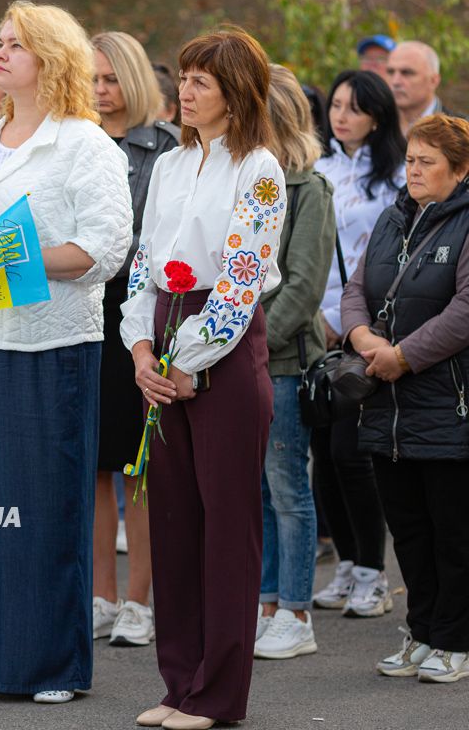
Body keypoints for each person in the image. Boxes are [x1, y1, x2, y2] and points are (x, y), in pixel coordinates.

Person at [0, 1, 132, 704]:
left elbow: (105, 248)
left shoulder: (86, 145)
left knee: (45, 508)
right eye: (0, 43)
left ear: (51, 59)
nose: (1, 54)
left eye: (17, 45)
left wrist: (16, 264)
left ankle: (55, 666)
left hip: (50, 345)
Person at [121, 27, 284, 729]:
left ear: (235, 91)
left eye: (200, 81)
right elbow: (141, 263)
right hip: (161, 332)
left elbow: (245, 279)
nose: (183, 92)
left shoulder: (261, 169)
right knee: (174, 523)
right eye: (182, 78)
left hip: (222, 344)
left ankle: (218, 696)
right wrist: (139, 350)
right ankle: (178, 683)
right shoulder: (167, 164)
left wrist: (188, 363)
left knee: (227, 529)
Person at [342, 113, 469, 684]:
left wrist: (404, 355)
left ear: (461, 169)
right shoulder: (394, 218)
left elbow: (464, 313)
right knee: (410, 530)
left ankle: (455, 641)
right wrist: (365, 339)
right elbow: (354, 290)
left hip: (446, 402)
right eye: (410, 159)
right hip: (386, 406)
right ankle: (421, 632)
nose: (412, 171)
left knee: (454, 533)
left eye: (427, 163)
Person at [89, 30, 178, 648]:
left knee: (139, 465)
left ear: (136, 80)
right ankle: (100, 595)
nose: (99, 90)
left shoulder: (167, 150)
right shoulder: (72, 142)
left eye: (111, 78)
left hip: (141, 311)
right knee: (92, 466)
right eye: (90, 78)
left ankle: (140, 602)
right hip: (79, 310)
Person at [311, 70, 405, 620]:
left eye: (353, 107)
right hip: (313, 327)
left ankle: (373, 570)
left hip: (367, 326)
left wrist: (343, 319)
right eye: (336, 105)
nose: (340, 115)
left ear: (377, 115)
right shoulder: (319, 168)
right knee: (323, 450)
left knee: (353, 452)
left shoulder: (393, 178)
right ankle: (347, 563)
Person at [253, 64, 336, 661]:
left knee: (287, 489)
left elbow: (304, 286)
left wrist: (249, 343)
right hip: (241, 358)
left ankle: (297, 612)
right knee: (256, 490)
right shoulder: (248, 184)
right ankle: (266, 602)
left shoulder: (311, 190)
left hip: (280, 362)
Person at [387, 41, 457, 134]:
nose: (395, 81)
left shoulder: (460, 133)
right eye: (391, 72)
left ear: (433, 81)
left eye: (407, 72)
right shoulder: (375, 125)